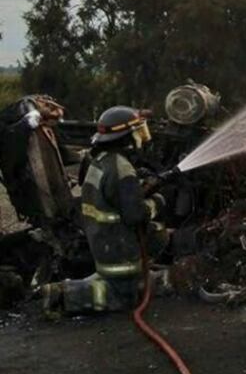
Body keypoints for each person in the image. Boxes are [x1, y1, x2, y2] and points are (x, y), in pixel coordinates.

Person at [42, 106, 169, 315]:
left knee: (158, 235)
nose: (142, 137)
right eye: (139, 131)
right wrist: (157, 201)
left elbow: (113, 197)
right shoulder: (123, 170)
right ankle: (62, 295)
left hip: (102, 245)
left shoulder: (100, 161)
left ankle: (103, 282)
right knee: (125, 297)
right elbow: (135, 216)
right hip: (118, 254)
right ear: (128, 137)